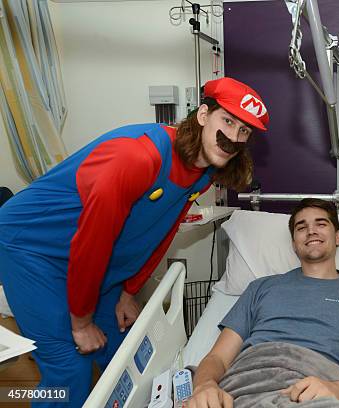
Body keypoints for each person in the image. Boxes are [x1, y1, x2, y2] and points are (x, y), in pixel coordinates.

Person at [0, 76, 269, 407]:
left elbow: (163, 230)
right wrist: (81, 322)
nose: (233, 138)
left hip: (91, 261)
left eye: (244, 132)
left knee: (129, 347)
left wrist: (129, 292)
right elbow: (93, 240)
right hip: (32, 247)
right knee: (70, 368)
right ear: (202, 115)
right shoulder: (138, 157)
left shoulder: (203, 175)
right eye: (227, 121)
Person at [188, 198, 339, 407]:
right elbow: (218, 357)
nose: (311, 231)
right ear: (294, 244)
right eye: (301, 227)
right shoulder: (261, 287)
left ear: (338, 237)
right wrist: (205, 385)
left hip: (320, 391)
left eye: (321, 223)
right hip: (248, 387)